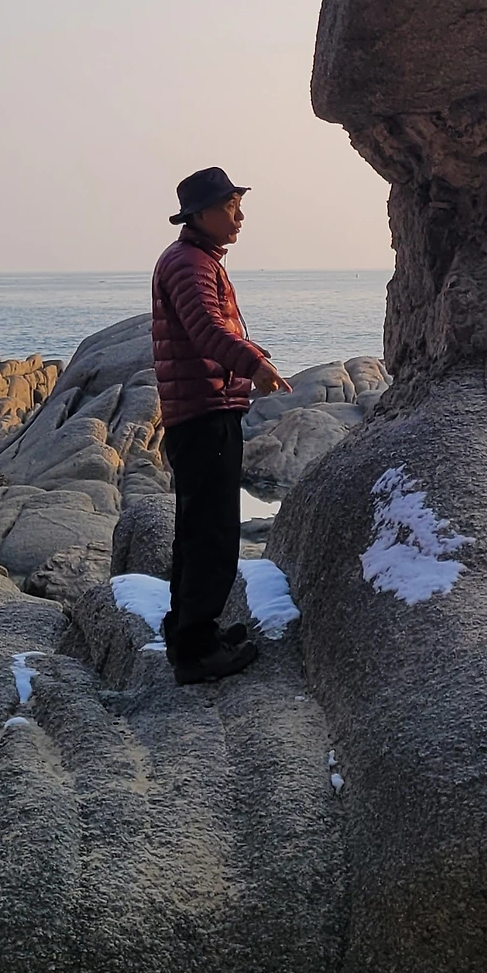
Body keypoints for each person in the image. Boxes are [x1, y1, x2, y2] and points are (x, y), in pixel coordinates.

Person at [151, 167, 290, 684]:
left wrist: (249, 355)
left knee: (197, 529)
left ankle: (189, 631)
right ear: (201, 214)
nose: (240, 216)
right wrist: (254, 364)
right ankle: (197, 651)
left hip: (201, 410)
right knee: (211, 533)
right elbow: (207, 330)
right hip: (203, 412)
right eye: (231, 206)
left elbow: (206, 332)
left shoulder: (194, 259)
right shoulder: (189, 263)